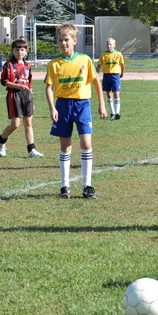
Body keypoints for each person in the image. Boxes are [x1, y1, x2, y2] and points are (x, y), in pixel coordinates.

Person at [44, 22, 107, 199]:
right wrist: (52, 108)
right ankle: (65, 185)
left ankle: (87, 185)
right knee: (65, 146)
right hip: (63, 106)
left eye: (66, 40)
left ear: (74, 41)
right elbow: (49, 88)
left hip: (82, 105)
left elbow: (96, 82)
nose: (63, 43)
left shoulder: (85, 60)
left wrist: (102, 104)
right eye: (60, 40)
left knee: (86, 143)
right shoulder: (54, 64)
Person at [0, 38, 43, 158]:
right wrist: (18, 86)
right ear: (12, 51)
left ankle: (32, 150)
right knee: (15, 124)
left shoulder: (28, 65)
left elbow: (29, 83)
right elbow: (3, 81)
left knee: (28, 122)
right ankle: (0, 141)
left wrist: (31, 99)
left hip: (26, 96)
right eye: (17, 50)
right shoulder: (8, 65)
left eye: (22, 49)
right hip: (14, 95)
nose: (19, 52)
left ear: (26, 51)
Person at [96, 38, 125, 120]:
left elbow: (122, 65)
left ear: (114, 45)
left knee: (116, 93)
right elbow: (99, 65)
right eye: (107, 44)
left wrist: (122, 74)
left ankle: (117, 113)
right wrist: (96, 74)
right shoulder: (104, 55)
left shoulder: (118, 54)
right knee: (109, 94)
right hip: (106, 75)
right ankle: (112, 113)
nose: (109, 46)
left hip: (115, 76)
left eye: (110, 44)